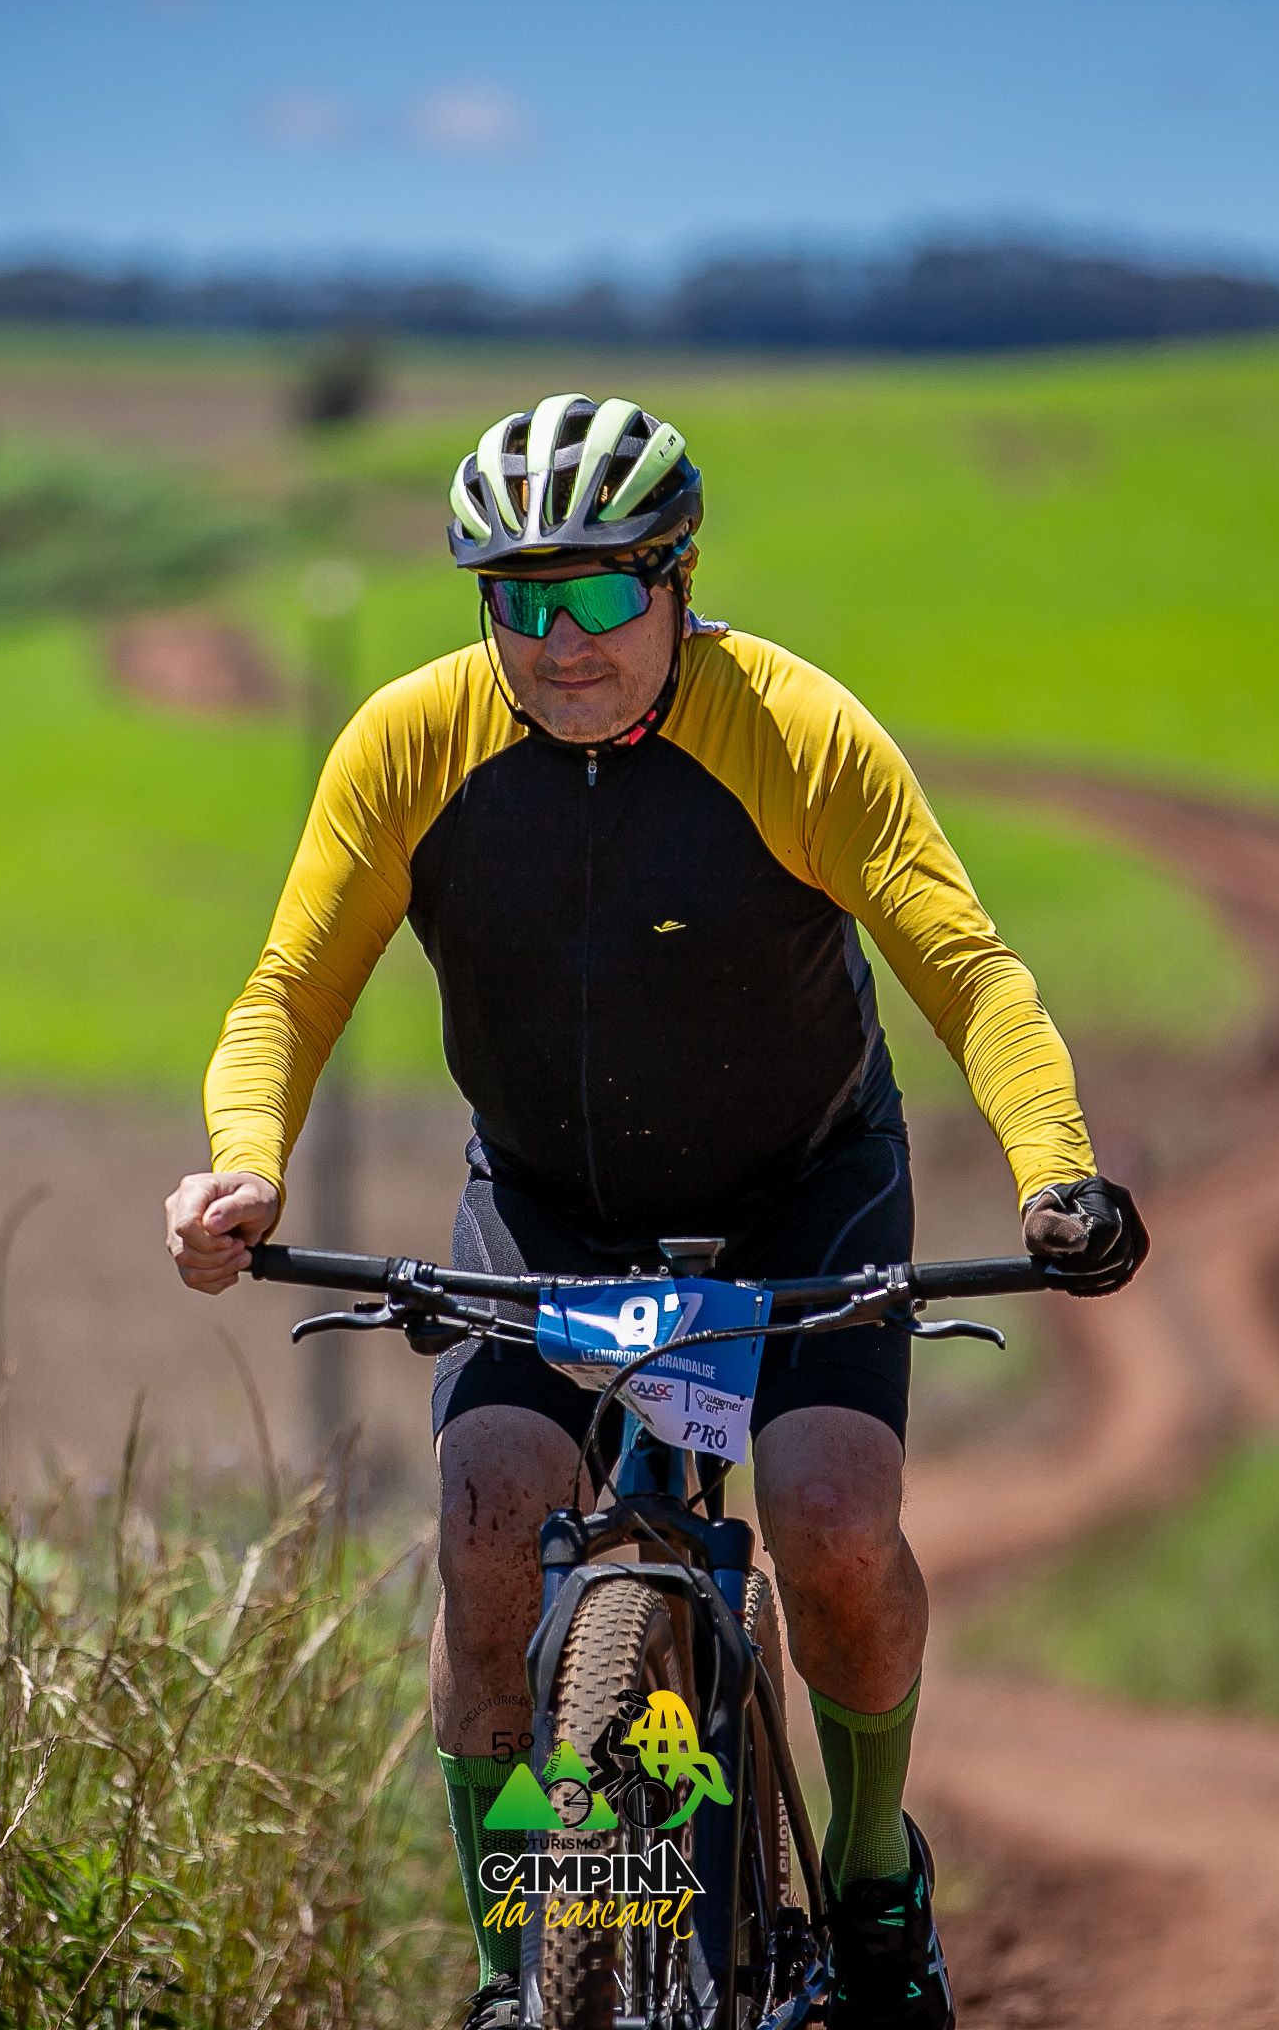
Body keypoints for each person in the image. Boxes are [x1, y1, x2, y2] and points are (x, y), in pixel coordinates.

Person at [164, 394, 1144, 2030]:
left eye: (604, 593)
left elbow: (970, 975)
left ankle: (873, 1881)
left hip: (803, 1190)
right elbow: (287, 990)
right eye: (520, 601)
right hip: (550, 1202)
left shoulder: (798, 731)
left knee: (832, 1519)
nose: (562, 643)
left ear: (682, 579)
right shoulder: (409, 744)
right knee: (488, 1521)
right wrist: (243, 1164)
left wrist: (1057, 1172)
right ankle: (518, 1966)